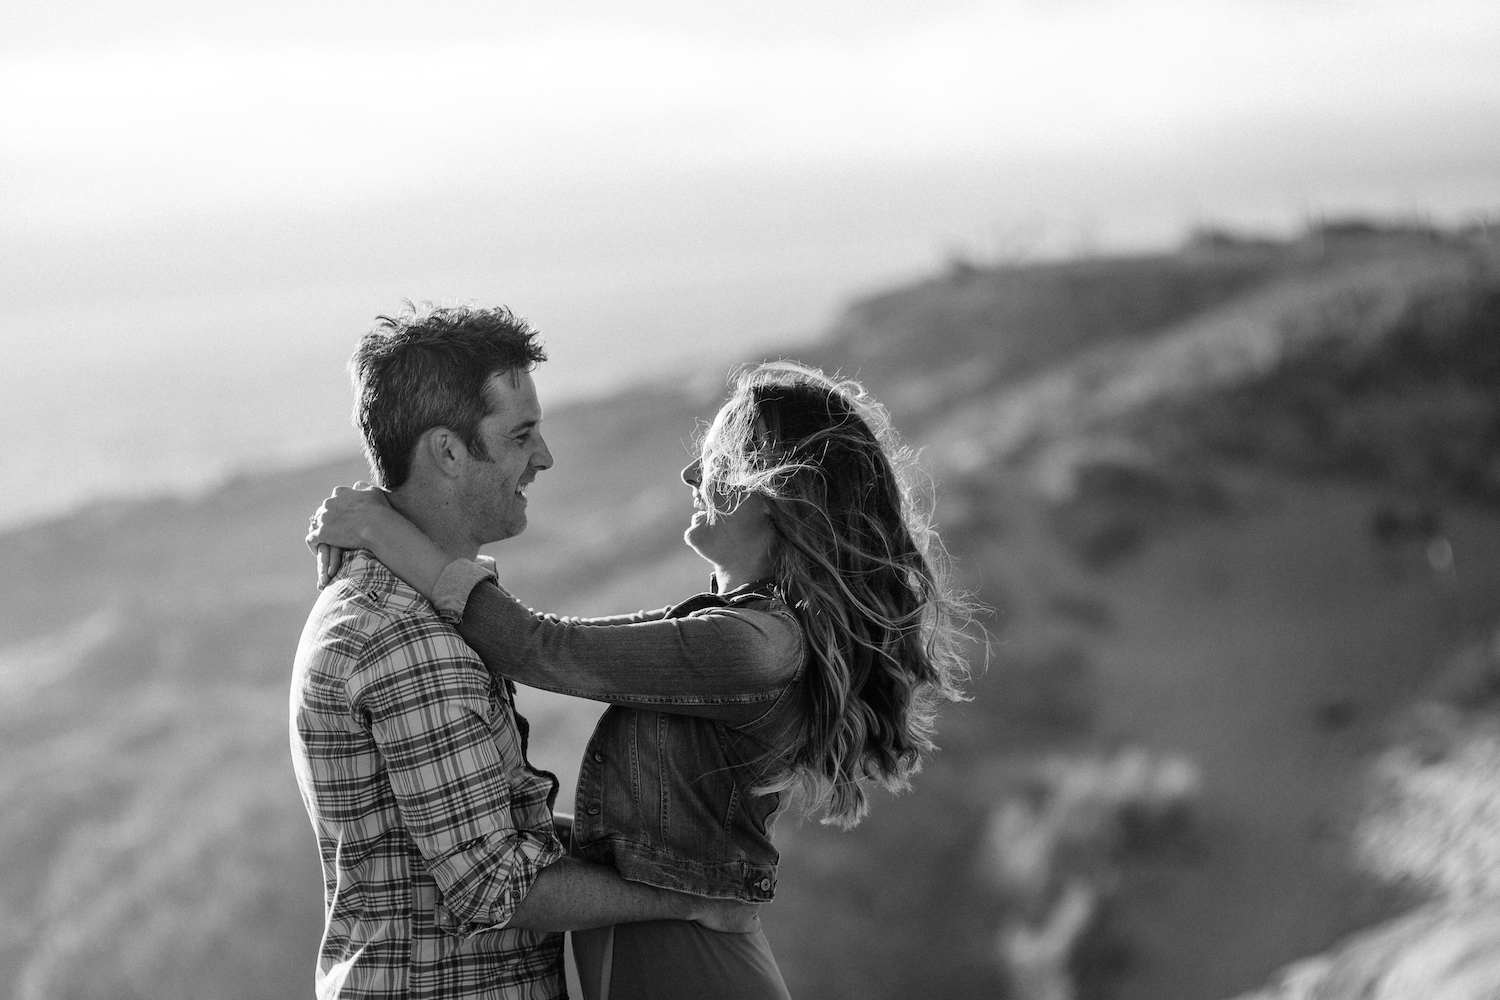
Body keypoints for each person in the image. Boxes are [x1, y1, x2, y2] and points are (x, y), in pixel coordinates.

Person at [308, 360, 974, 1000]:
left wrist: (386, 531)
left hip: (694, 963)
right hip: (667, 951)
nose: (690, 473)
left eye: (712, 461)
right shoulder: (738, 631)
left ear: (770, 493)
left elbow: (538, 647)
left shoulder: (752, 647)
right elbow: (616, 844)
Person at [290, 304, 756, 1000]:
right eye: (520, 435)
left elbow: (502, 837)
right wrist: (692, 900)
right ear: (447, 452)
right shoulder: (409, 640)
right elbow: (499, 886)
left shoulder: (390, 604)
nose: (543, 457)